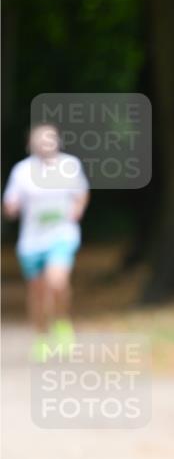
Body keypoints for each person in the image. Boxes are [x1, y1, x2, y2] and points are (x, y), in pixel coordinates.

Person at [2, 123, 89, 361]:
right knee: (38, 292)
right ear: (30, 144)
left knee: (57, 281)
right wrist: (11, 207)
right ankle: (41, 336)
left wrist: (77, 208)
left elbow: (81, 192)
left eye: (50, 138)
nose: (45, 143)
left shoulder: (69, 165)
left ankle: (62, 322)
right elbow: (11, 201)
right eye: (40, 139)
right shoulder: (21, 171)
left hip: (62, 235)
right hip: (31, 242)